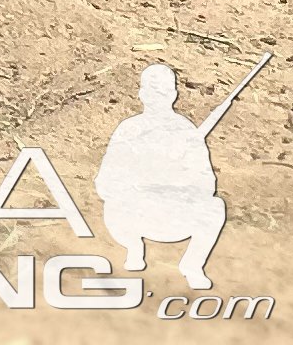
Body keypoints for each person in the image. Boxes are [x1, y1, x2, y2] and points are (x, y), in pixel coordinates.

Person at [95, 64, 228, 290]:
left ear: (174, 95)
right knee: (114, 204)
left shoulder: (186, 131)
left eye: (163, 92)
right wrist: (139, 181)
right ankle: (134, 247)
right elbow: (105, 182)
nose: (157, 97)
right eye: (152, 91)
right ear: (142, 94)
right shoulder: (129, 129)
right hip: (134, 215)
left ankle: (192, 265)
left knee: (215, 207)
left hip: (173, 215)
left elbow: (206, 185)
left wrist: (176, 181)